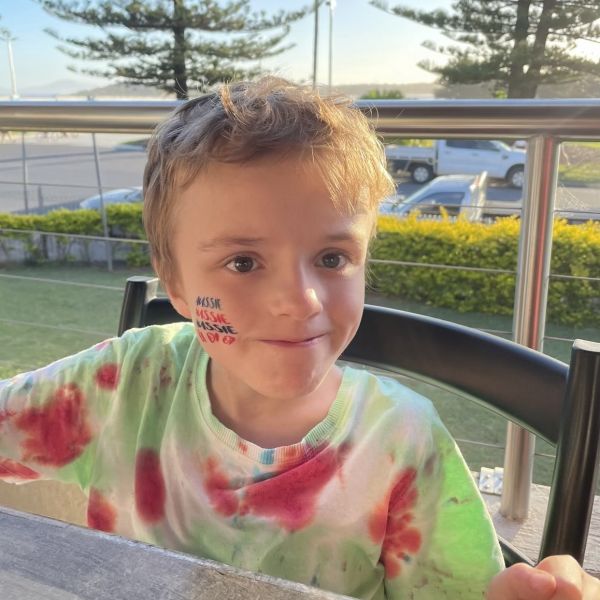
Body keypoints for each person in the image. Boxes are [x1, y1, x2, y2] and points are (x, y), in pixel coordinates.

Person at [0, 77, 597, 600]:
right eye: (243, 262)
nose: (302, 300)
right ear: (176, 281)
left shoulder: (404, 440)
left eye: (333, 257)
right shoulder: (123, 384)